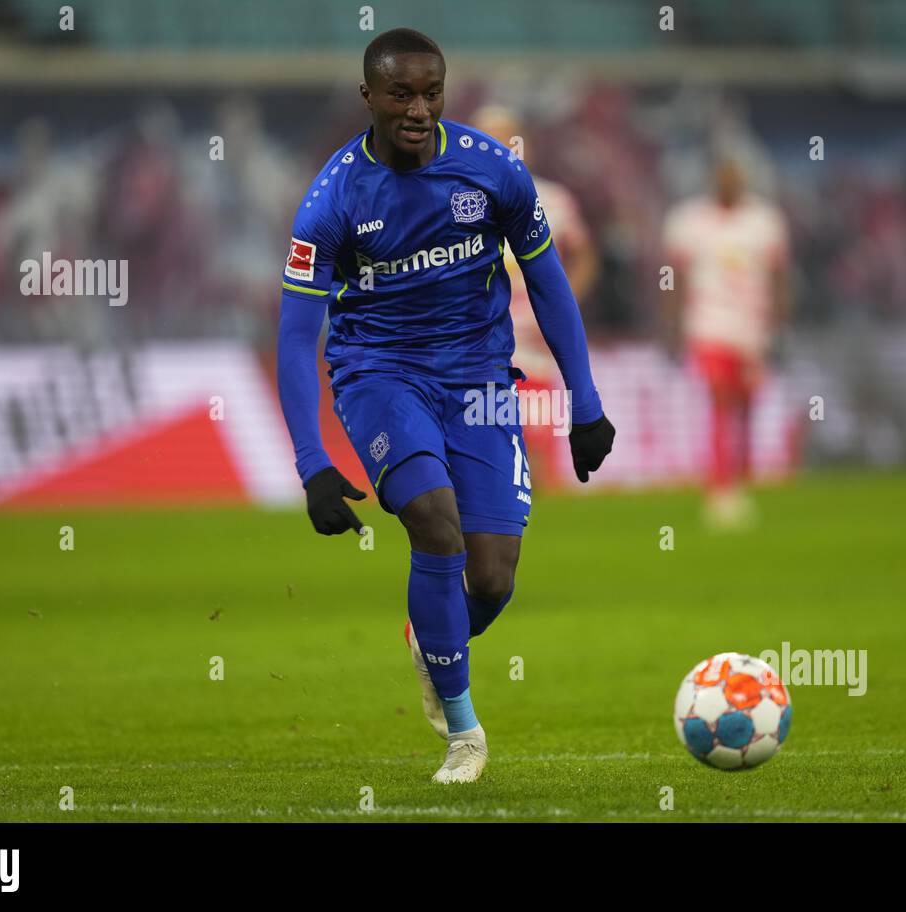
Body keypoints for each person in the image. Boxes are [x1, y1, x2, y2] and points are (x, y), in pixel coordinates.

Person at [276, 28, 615, 783]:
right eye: (401, 94)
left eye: (431, 92)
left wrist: (585, 404)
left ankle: (432, 640)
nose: (419, 109)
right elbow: (297, 338)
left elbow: (550, 283)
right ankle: (465, 735)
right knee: (434, 519)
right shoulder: (331, 201)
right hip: (380, 377)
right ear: (369, 97)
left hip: (482, 382)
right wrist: (312, 464)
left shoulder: (494, 172)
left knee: (492, 577)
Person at [470, 104, 599, 486]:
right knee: (488, 442)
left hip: (533, 338)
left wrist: (564, 304)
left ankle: (545, 524)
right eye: (486, 139)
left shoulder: (552, 200)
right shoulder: (455, 201)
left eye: (504, 138)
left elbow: (585, 256)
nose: (496, 147)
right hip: (479, 339)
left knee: (538, 438)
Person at [663, 156, 789, 529]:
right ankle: (720, 487)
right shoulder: (688, 221)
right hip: (709, 324)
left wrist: (779, 325)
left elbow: (779, 277)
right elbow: (674, 277)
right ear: (712, 179)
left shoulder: (764, 222)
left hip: (752, 329)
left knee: (746, 403)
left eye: (734, 176)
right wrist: (671, 326)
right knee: (719, 396)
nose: (728, 183)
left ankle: (742, 477)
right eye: (722, 176)